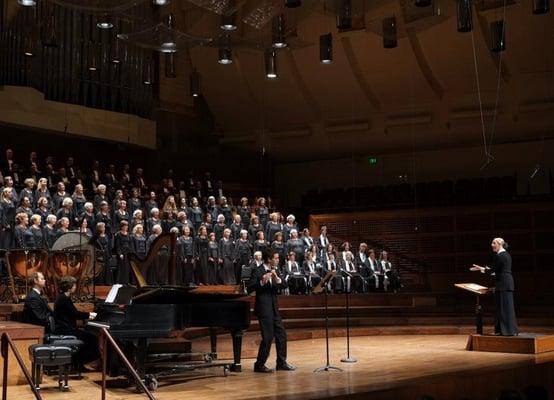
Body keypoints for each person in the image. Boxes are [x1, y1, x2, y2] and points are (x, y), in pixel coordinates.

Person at [247, 249, 295, 373]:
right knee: (268, 338)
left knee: (281, 335)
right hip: (263, 308)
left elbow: (284, 285)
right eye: (276, 258)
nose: (278, 260)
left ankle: (281, 363)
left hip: (274, 308)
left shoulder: (276, 270)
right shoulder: (257, 270)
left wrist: (277, 278)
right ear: (269, 259)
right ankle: (259, 365)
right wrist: (262, 281)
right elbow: (249, 287)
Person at [471, 237, 518, 336]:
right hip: (507, 283)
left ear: (500, 244)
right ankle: (509, 330)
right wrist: (486, 269)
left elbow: (493, 271)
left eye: (494, 243)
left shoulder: (500, 255)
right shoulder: (507, 255)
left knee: (502, 308)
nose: (492, 245)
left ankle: (505, 331)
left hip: (502, 284)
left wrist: (481, 269)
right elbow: (497, 270)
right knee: (507, 307)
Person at [53, 276, 99, 365]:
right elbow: (75, 314)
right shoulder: (64, 299)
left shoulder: (62, 297)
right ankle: (80, 362)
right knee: (93, 339)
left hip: (66, 328)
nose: (75, 287)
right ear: (69, 287)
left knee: (90, 337)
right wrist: (89, 314)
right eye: (74, 285)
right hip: (66, 330)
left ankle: (79, 362)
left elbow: (73, 313)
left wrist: (87, 315)